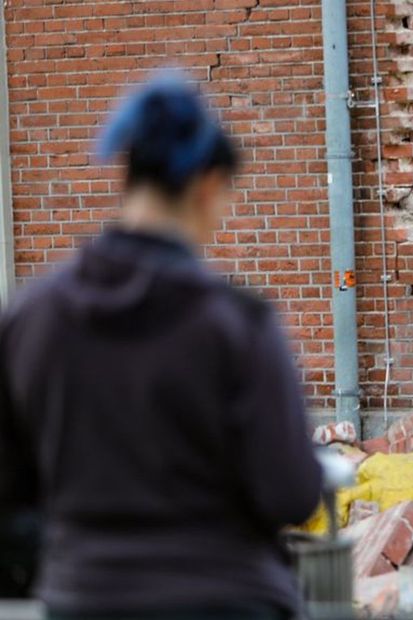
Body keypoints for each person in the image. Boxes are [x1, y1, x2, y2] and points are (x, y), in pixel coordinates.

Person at [0, 75, 323, 619]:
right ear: (206, 183)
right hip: (228, 597)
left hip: (86, 598)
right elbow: (290, 493)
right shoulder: (236, 323)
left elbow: (9, 490)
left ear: (128, 174)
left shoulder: (30, 318)